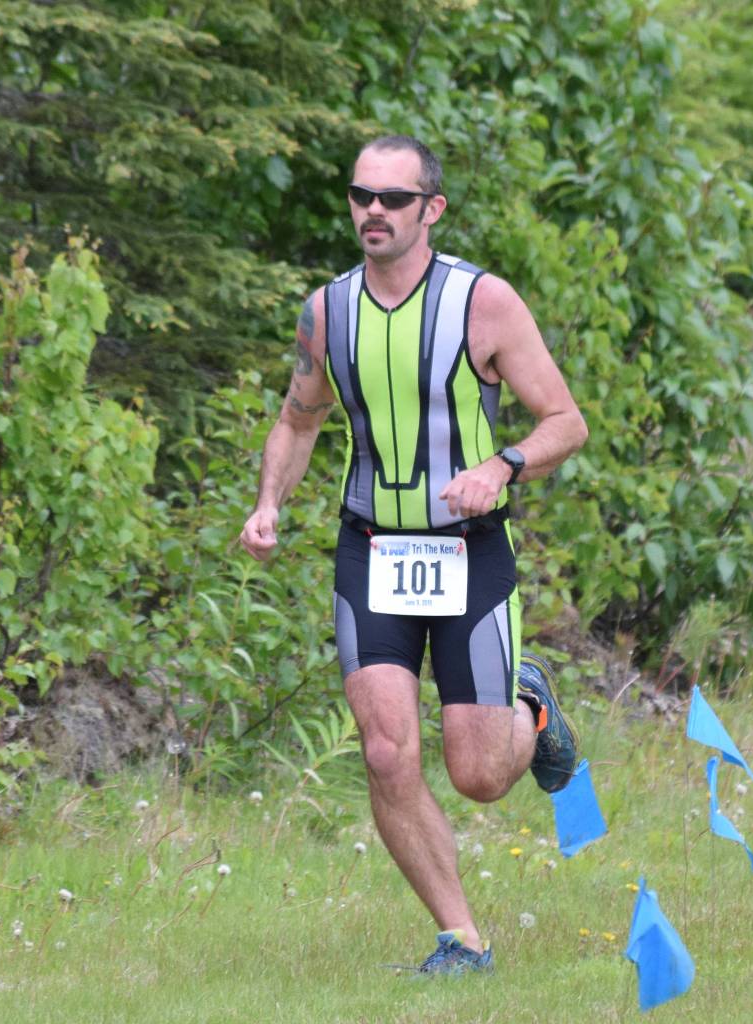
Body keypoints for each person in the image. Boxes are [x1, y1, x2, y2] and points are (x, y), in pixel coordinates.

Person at [240, 134, 588, 974]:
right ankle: (461, 939)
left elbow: (564, 423)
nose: (373, 212)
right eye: (362, 196)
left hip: (470, 553)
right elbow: (298, 416)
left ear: (430, 209)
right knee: (386, 750)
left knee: (476, 774)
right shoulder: (327, 312)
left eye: (393, 199)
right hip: (370, 550)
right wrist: (267, 505)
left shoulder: (484, 303)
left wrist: (500, 466)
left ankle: (528, 705)